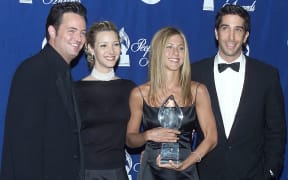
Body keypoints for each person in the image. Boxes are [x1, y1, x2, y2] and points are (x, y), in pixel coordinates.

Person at [191, 4, 286, 180]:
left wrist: (270, 173)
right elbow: (183, 124)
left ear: (246, 36)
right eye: (225, 28)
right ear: (216, 33)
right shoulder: (195, 73)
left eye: (238, 30)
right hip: (205, 174)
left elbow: (276, 131)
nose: (231, 37)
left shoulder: (267, 75)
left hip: (253, 174)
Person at [0, 2, 87, 180]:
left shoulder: (63, 73)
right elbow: (23, 146)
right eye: (71, 30)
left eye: (83, 32)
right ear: (52, 32)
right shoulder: (33, 71)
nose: (78, 38)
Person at [126, 27, 218, 180]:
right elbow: (130, 140)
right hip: (151, 172)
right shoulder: (139, 93)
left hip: (186, 170)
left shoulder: (198, 91)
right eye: (169, 47)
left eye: (180, 48)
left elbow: (212, 137)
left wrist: (189, 161)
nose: (175, 53)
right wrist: (148, 135)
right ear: (158, 51)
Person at [74, 21, 136, 180]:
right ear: (90, 48)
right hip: (84, 172)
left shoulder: (130, 89)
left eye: (116, 44)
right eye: (103, 45)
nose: (111, 51)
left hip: (117, 172)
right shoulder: (75, 90)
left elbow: (138, 132)